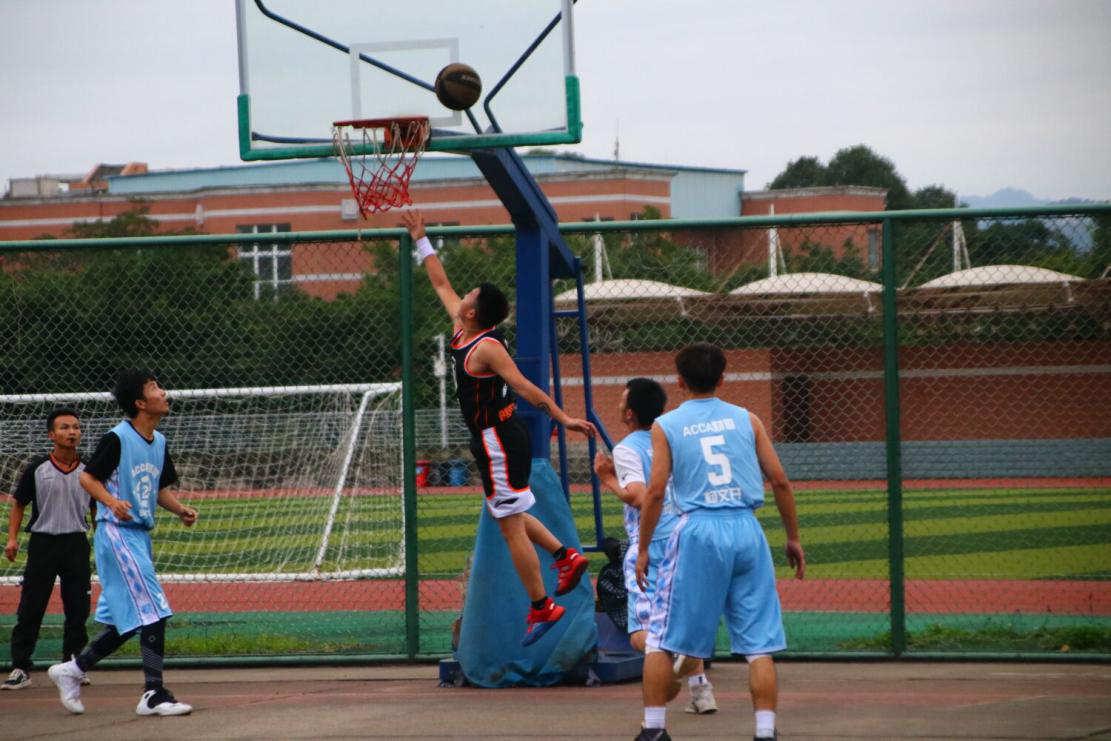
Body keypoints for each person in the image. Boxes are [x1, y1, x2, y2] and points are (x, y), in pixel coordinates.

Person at [403, 209, 596, 646]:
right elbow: (440, 284)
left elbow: (525, 387)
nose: (462, 295)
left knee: (509, 528)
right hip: (495, 440)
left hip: (498, 441)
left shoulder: (486, 348)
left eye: (469, 295)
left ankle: (542, 606)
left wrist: (562, 417)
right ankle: (564, 556)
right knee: (506, 512)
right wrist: (421, 238)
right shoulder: (463, 329)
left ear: (472, 311)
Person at [634, 344, 805, 741]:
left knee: (659, 637)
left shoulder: (666, 425)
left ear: (679, 381)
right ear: (722, 378)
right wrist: (793, 537)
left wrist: (643, 548)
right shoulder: (748, 419)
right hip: (747, 529)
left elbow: (655, 491)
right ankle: (765, 731)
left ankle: (654, 728)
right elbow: (780, 481)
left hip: (698, 530)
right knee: (759, 646)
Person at [47, 369, 198, 717]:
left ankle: (73, 669)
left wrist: (180, 510)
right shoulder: (117, 438)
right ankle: (153, 694)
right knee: (154, 609)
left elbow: (157, 489)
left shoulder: (158, 442)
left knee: (125, 620)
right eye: (155, 387)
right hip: (116, 533)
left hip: (138, 537)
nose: (163, 392)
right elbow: (88, 478)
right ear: (140, 403)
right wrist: (111, 502)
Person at [593, 378, 718, 715]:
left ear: (629, 413)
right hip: (686, 534)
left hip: (652, 542)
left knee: (641, 630)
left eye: (622, 400)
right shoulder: (672, 439)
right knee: (681, 616)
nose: (619, 403)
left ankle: (669, 675)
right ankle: (701, 692)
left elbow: (639, 496)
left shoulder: (626, 449)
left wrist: (607, 479)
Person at [3, 408, 94, 691]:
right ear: (51, 435)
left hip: (76, 543)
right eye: (64, 427)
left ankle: (73, 664)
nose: (72, 432)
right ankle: (21, 667)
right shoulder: (37, 468)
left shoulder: (90, 469)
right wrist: (12, 538)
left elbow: (96, 507)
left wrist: (102, 539)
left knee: (77, 608)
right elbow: (19, 504)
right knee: (31, 606)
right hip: (43, 543)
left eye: (76, 427)